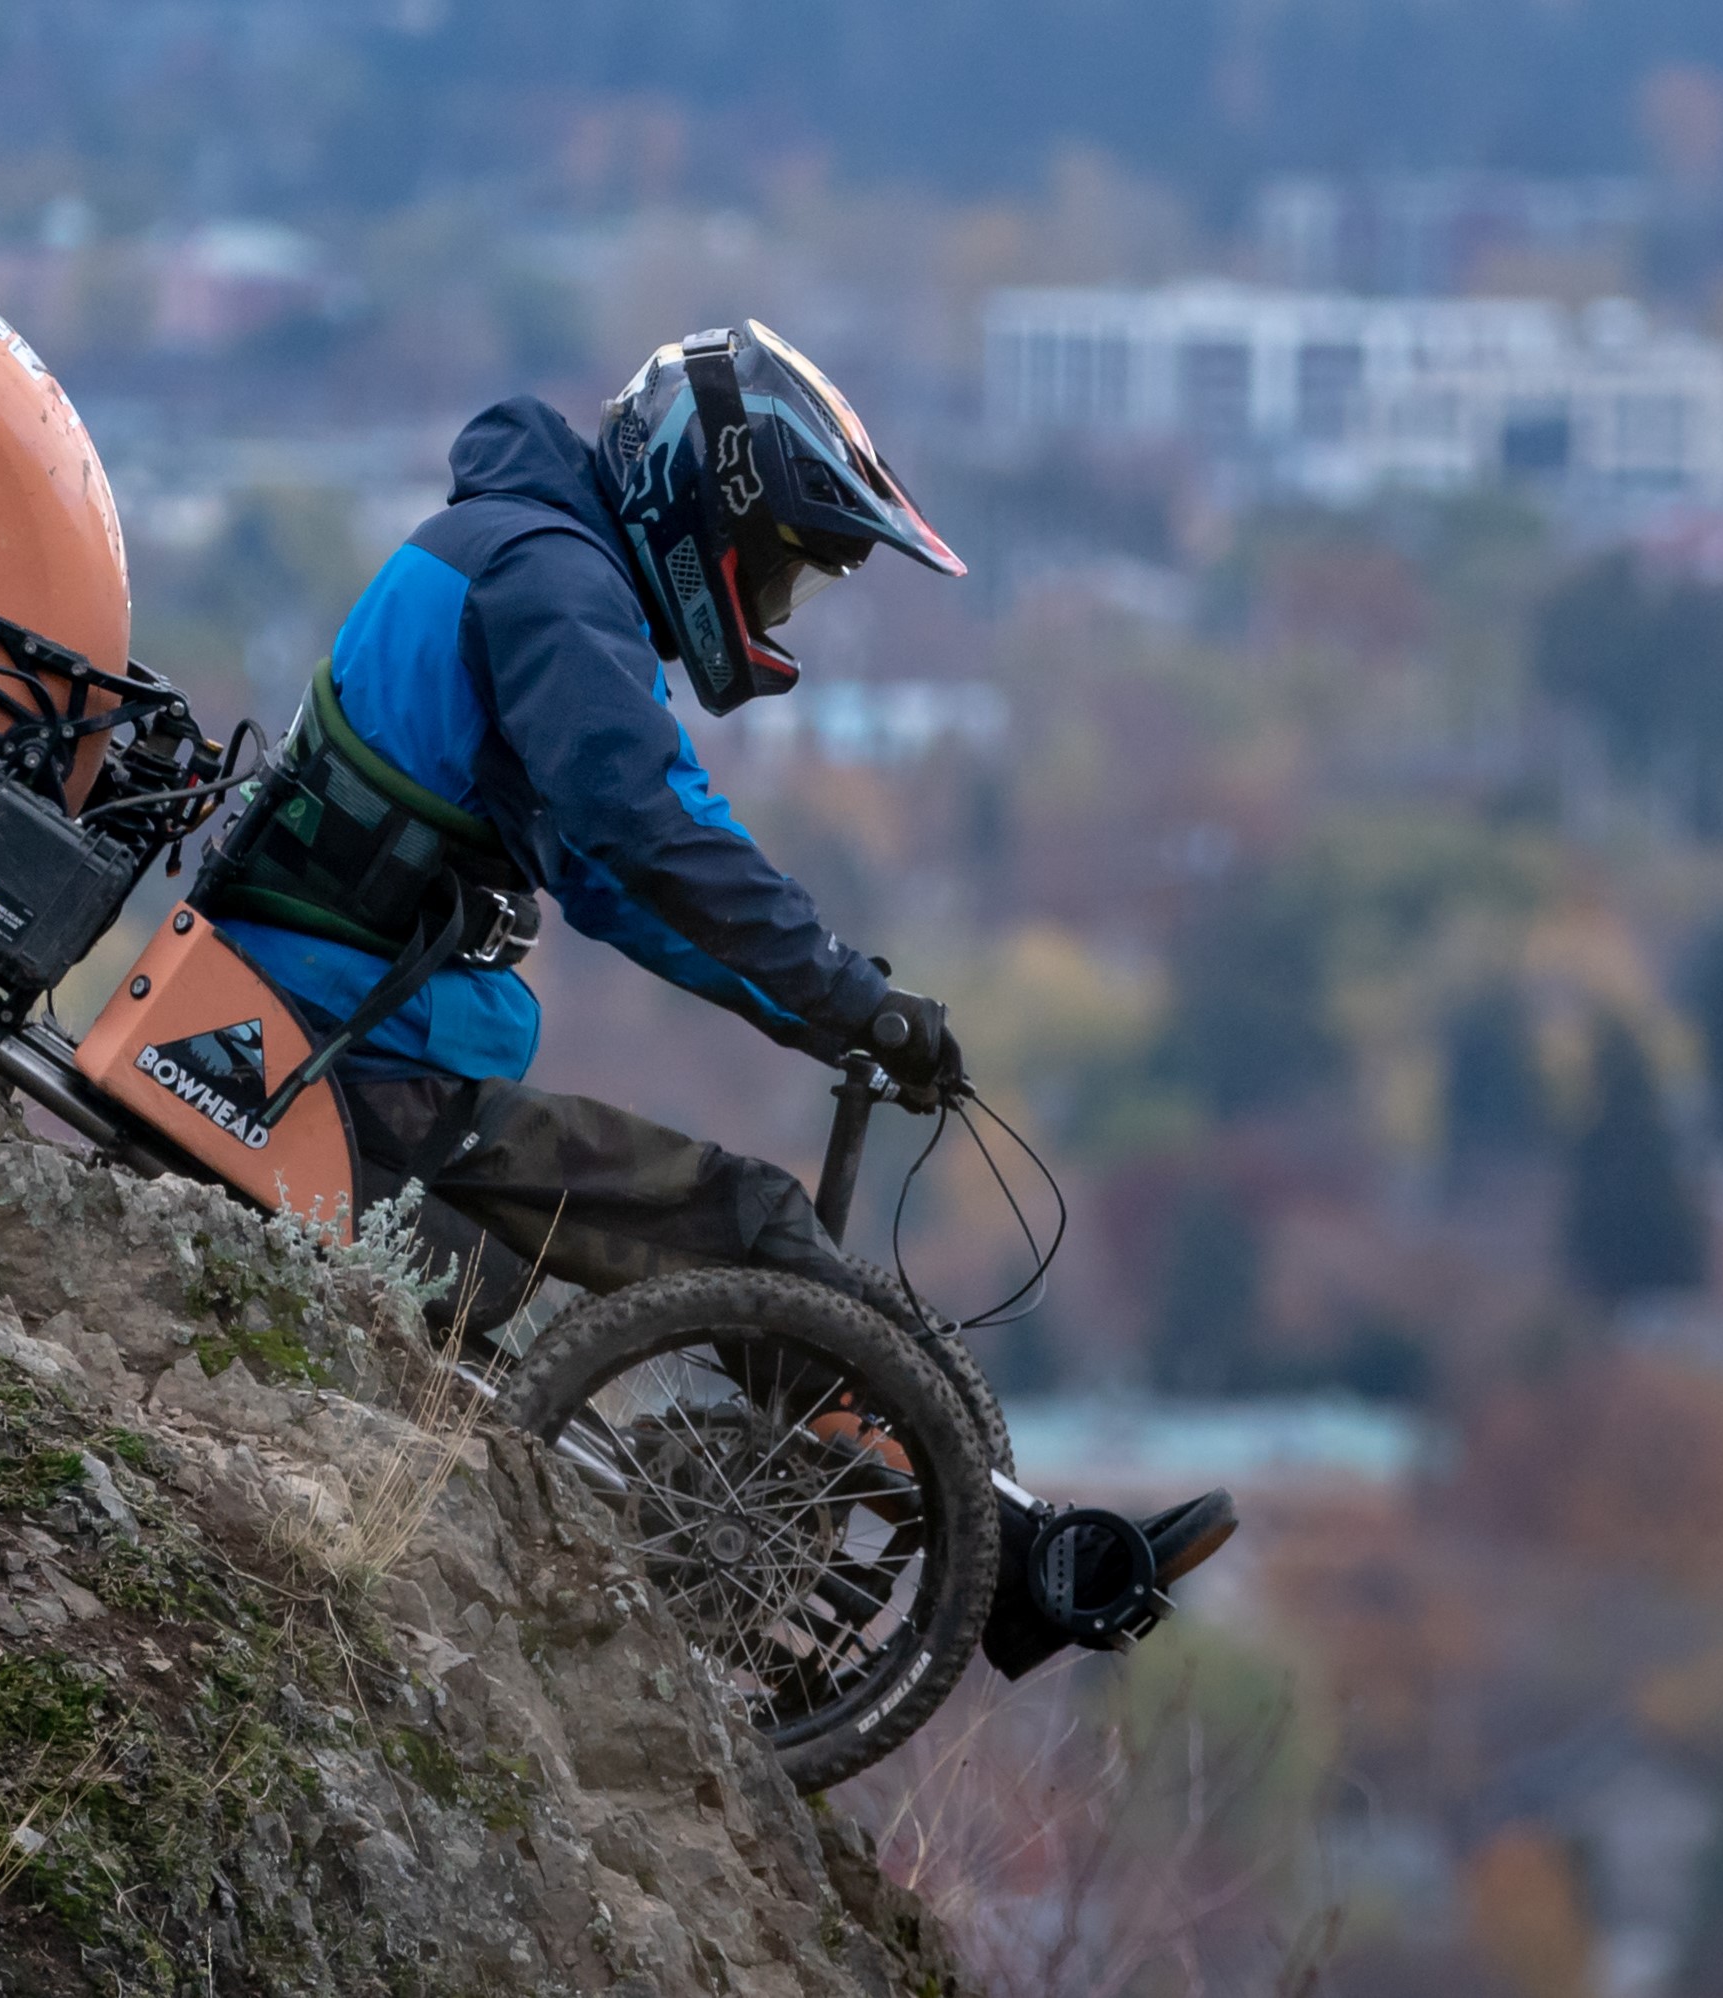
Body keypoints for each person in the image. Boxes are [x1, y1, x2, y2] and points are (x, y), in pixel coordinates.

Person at [194, 323, 1234, 1634]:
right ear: (708, 515)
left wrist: (821, 1013)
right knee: (742, 1223)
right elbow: (651, 831)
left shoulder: (525, 558)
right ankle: (1006, 1564)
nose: (780, 607)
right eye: (782, 572)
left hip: (340, 1036)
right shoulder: (553, 585)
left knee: (696, 1240)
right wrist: (845, 991)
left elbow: (610, 880)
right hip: (347, 1061)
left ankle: (986, 1534)